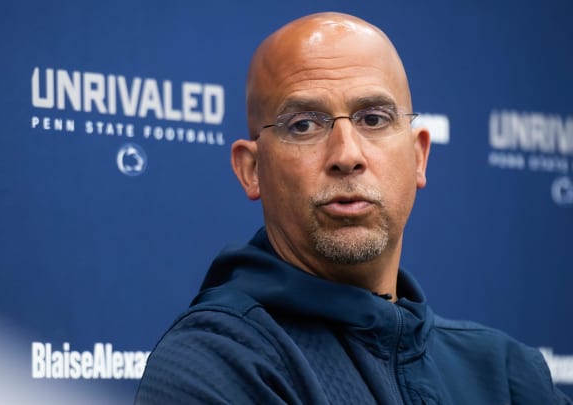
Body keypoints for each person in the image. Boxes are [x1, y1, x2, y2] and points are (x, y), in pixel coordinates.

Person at [135, 12, 571, 404]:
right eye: (304, 124)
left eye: (373, 119)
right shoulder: (213, 363)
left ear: (419, 156)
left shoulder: (506, 374)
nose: (347, 154)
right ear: (252, 170)